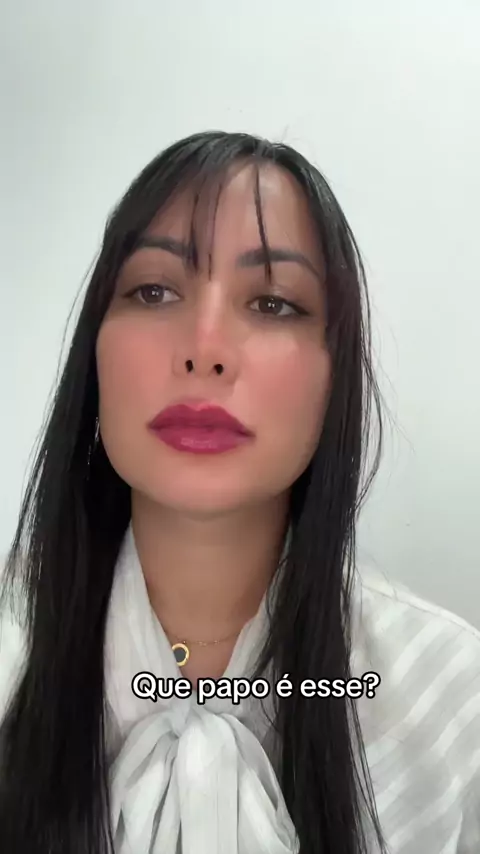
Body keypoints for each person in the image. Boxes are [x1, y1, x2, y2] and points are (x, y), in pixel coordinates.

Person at [0, 131, 479, 854]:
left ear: (336, 374)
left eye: (273, 303)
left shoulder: (451, 704)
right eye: (154, 291)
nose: (204, 348)